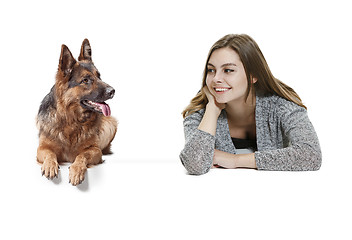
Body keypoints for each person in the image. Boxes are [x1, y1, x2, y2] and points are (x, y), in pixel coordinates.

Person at [180, 34, 322, 175]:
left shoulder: (281, 106)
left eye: (228, 70)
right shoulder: (201, 108)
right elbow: (195, 163)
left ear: (253, 75)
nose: (216, 79)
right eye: (211, 70)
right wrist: (212, 109)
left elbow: (311, 154)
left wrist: (236, 161)